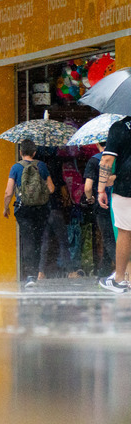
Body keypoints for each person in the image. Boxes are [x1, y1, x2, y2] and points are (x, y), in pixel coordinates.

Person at [3, 139, 55, 288]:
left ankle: (30, 275)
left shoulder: (15, 167)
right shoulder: (42, 166)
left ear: (20, 152)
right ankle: (37, 272)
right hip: (40, 209)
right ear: (34, 152)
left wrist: (5, 208)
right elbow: (51, 188)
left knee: (27, 240)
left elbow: (8, 192)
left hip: (23, 208)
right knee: (38, 239)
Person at [96, 116, 131, 293]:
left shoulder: (119, 127)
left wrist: (101, 188)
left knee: (125, 233)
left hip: (127, 189)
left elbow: (107, 161)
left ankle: (119, 280)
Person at [83, 143, 117, 276]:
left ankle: (124, 271)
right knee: (116, 237)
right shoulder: (117, 159)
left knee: (108, 238)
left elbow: (87, 187)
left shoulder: (94, 160)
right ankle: (104, 272)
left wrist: (90, 198)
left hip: (102, 204)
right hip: (119, 201)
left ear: (97, 144)